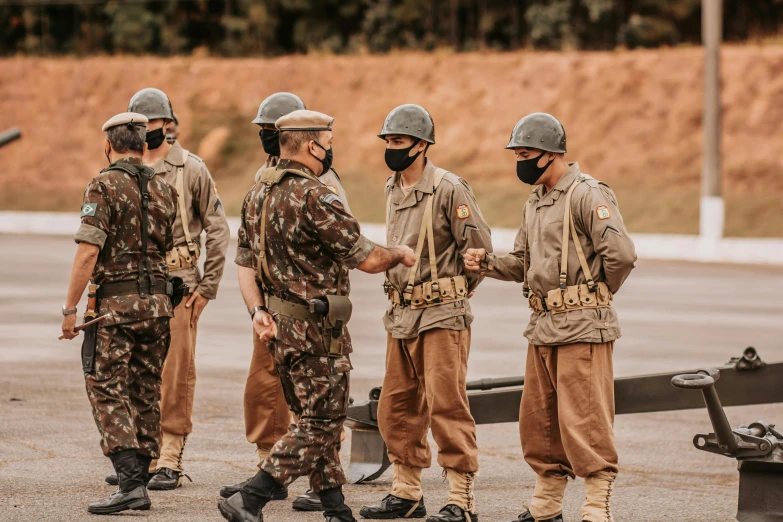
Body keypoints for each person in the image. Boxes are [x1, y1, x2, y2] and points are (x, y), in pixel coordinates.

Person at [218, 109, 416, 522]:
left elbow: (245, 264)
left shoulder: (258, 194)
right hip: (315, 331)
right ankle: (252, 496)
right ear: (312, 145)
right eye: (328, 142)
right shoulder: (315, 195)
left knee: (313, 417)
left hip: (278, 327)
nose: (330, 150)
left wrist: (257, 311)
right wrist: (400, 253)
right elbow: (367, 258)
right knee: (323, 423)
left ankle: (335, 509)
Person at [463, 113, 637, 522]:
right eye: (517, 154)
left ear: (551, 154)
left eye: (525, 154)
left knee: (586, 417)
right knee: (539, 419)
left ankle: (596, 505)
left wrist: (596, 294)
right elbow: (524, 262)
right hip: (542, 326)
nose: (520, 162)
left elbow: (622, 255)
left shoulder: (586, 193)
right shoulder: (537, 200)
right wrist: (486, 262)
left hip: (581, 324)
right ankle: (547, 505)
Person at [359, 104, 492, 522]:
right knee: (397, 407)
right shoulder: (391, 187)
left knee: (446, 405)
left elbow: (478, 252)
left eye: (399, 142)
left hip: (441, 315)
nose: (392, 149)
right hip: (400, 316)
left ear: (421, 145)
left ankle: (460, 499)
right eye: (389, 142)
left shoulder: (450, 188)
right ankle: (406, 492)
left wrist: (450, 292)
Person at [219, 92, 351, 513]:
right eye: (262, 132)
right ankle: (267, 487)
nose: (266, 139)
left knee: (315, 415)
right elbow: (246, 258)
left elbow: (342, 249)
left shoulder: (320, 186)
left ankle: (325, 499)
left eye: (270, 131)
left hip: (306, 318)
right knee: (315, 416)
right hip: (281, 318)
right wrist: (257, 310)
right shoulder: (266, 182)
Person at [104, 87, 230, 490]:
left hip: (179, 285)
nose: (147, 129)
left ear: (167, 124)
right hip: (136, 287)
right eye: (138, 123)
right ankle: (144, 454)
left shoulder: (190, 168)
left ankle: (171, 455)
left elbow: (217, 228)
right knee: (137, 373)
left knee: (176, 373)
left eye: (153, 123)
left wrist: (208, 287)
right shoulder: (126, 167)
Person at [61, 112, 178, 514]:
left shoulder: (103, 185)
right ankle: (141, 475)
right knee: (146, 389)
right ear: (143, 145)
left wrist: (69, 309)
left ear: (108, 145)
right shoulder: (165, 188)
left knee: (105, 387)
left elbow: (88, 252)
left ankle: (129, 482)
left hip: (115, 309)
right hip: (159, 307)